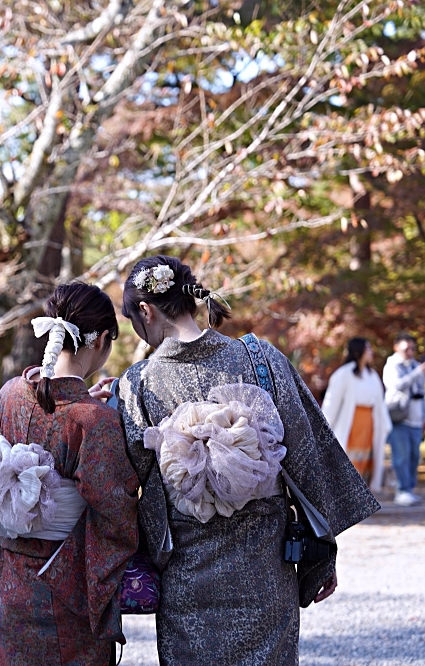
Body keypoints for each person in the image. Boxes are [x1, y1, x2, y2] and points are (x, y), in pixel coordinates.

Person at [116, 255, 379, 666]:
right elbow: (308, 459)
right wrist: (323, 553)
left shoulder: (138, 384)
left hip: (188, 575)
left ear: (145, 311)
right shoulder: (260, 359)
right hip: (264, 569)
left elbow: (134, 481)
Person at [0, 282, 139, 666]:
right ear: (102, 339)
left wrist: (83, 403)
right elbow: (116, 518)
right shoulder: (96, 422)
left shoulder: (10, 394)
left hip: (14, 580)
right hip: (68, 586)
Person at [322, 338, 393, 492]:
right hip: (351, 424)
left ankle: (361, 493)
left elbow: (380, 403)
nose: (371, 352)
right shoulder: (343, 374)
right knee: (349, 459)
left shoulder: (372, 375)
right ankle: (348, 493)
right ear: (358, 351)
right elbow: (332, 403)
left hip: (369, 423)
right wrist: (324, 426)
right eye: (368, 349)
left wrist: (385, 425)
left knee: (367, 459)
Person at [382, 333, 425, 506]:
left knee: (414, 456)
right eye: (406, 348)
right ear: (396, 348)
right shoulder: (392, 365)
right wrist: (417, 373)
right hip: (399, 418)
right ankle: (401, 490)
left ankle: (409, 489)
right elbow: (396, 386)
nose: (410, 352)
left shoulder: (415, 366)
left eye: (412, 348)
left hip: (416, 419)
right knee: (400, 456)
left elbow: (422, 394)